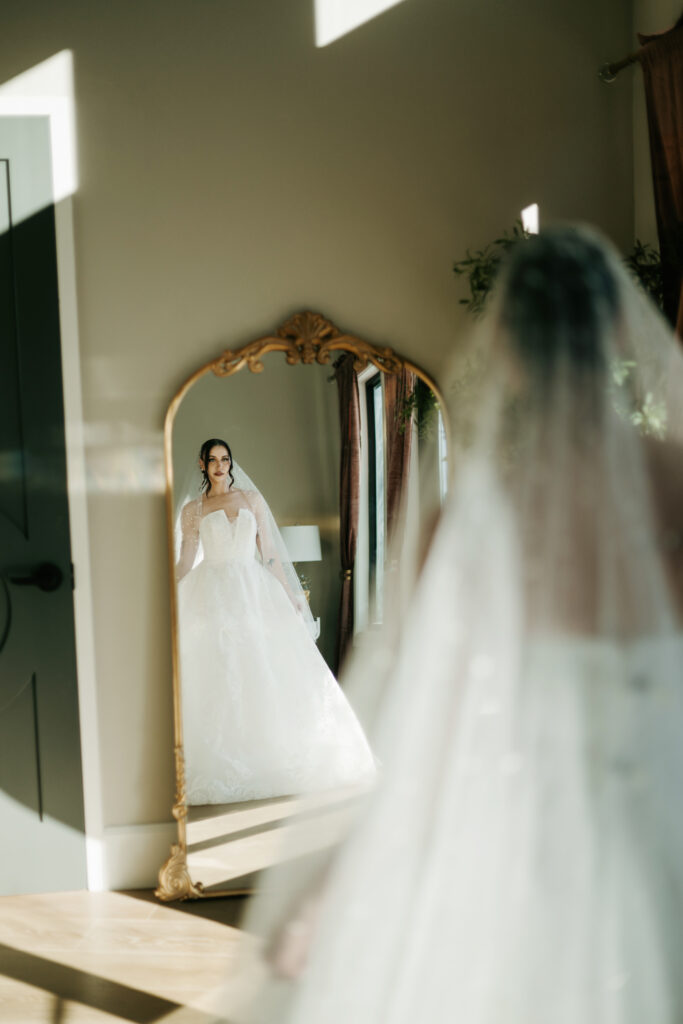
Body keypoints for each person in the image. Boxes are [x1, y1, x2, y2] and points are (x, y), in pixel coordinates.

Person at [232, 226, 683, 1024]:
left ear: (504, 349)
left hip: (521, 845)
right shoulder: (672, 487)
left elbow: (427, 735)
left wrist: (331, 896)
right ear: (619, 332)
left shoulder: (473, 519)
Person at [175, 438, 375, 805]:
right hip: (212, 594)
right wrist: (166, 595)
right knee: (221, 671)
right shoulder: (193, 510)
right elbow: (187, 561)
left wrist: (291, 596)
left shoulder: (251, 500)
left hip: (253, 591)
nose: (221, 466)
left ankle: (270, 751)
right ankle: (225, 756)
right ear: (202, 464)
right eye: (213, 460)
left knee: (261, 668)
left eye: (226, 459)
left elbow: (268, 554)